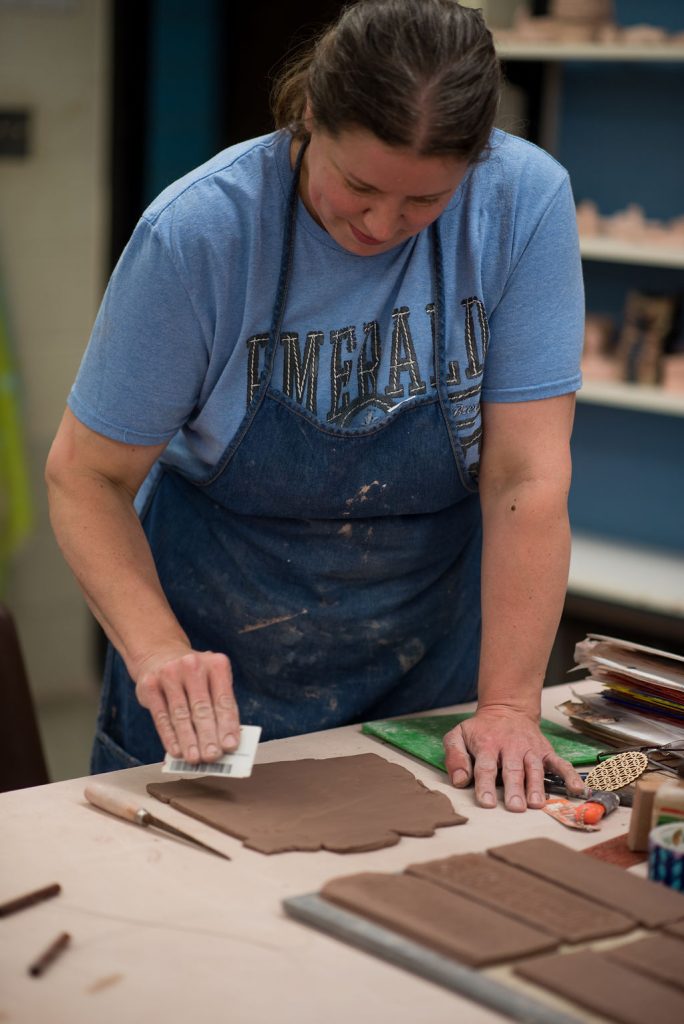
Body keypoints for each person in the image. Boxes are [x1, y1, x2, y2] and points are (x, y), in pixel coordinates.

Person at [46, 0, 586, 810]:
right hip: (217, 671)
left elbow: (525, 477)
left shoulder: (522, 203)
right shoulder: (203, 234)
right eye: (359, 185)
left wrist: (508, 705)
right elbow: (85, 476)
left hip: (428, 661)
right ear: (307, 117)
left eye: (424, 202)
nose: (381, 223)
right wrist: (159, 652)